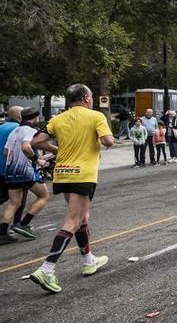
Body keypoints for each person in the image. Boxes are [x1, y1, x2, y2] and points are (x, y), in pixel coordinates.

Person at [29, 84, 113, 293]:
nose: (92, 99)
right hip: (83, 174)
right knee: (74, 219)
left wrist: (57, 149)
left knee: (82, 218)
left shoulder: (57, 119)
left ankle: (88, 260)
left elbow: (36, 141)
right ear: (86, 98)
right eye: (91, 96)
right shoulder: (96, 116)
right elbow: (108, 141)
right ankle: (46, 269)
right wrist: (102, 139)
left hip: (62, 172)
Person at [1, 108, 51, 244]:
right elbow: (26, 147)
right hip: (25, 171)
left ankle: (2, 233)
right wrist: (37, 159)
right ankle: (23, 224)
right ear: (34, 118)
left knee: (14, 202)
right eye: (37, 118)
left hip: (10, 171)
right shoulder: (31, 131)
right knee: (44, 196)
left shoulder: (14, 132)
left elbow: (6, 153)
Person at [0, 106, 23, 218]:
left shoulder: (1, 126)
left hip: (1, 167)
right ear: (20, 116)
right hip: (9, 167)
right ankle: (17, 223)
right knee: (16, 197)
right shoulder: (18, 128)